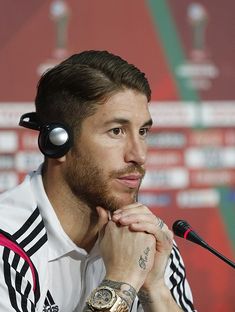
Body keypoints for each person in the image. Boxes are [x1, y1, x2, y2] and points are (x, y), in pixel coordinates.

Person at [0, 50, 196, 312]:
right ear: (57, 142)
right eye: (117, 131)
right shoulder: (8, 250)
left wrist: (156, 287)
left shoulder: (146, 237)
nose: (139, 154)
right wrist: (121, 281)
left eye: (143, 131)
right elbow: (122, 280)